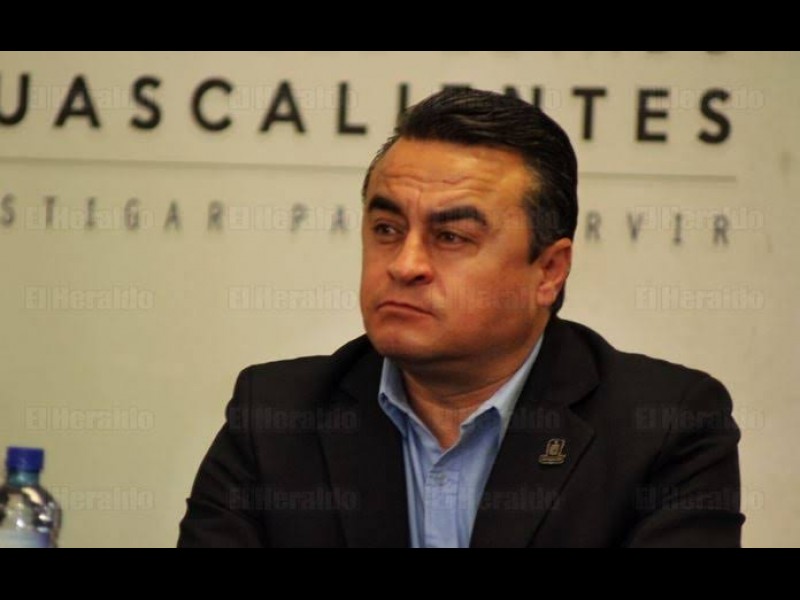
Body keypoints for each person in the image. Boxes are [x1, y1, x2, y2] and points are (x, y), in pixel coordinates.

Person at [177, 88, 744, 547]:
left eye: (451, 237)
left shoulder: (663, 428)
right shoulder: (275, 417)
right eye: (386, 229)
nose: (405, 265)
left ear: (549, 270)